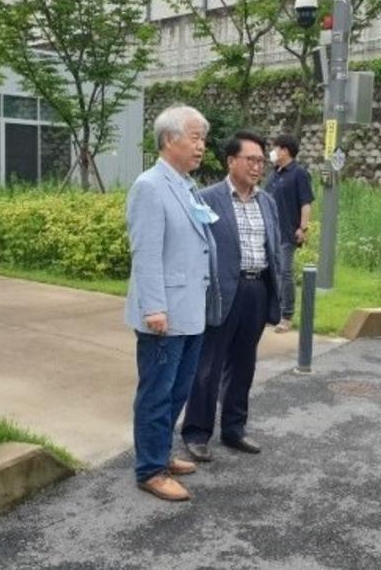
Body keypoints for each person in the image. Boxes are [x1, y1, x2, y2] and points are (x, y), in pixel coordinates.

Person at [124, 104, 221, 502]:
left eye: (203, 138)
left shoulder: (183, 183)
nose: (202, 146)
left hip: (190, 309)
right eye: (195, 137)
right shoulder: (149, 185)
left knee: (177, 391)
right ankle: (149, 469)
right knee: (157, 393)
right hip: (164, 314)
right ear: (169, 140)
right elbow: (145, 253)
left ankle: (161, 454)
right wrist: (153, 309)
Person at [182, 130, 283, 462]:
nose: (257, 167)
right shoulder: (207, 198)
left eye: (260, 161)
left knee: (244, 364)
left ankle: (234, 429)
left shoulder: (266, 200)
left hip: (256, 289)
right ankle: (197, 433)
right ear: (231, 161)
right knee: (207, 365)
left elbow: (276, 249)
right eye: (250, 160)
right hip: (222, 291)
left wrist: (276, 291)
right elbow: (195, 247)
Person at [264, 134, 314, 333]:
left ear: (285, 150)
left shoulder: (299, 173)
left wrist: (303, 228)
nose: (273, 152)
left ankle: (287, 315)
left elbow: (306, 202)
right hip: (270, 232)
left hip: (287, 232)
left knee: (285, 272)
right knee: (271, 273)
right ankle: (273, 312)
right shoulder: (275, 173)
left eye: (276, 148)